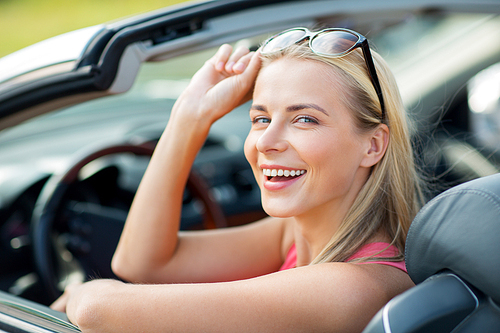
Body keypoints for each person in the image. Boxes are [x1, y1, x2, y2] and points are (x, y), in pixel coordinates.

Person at [51, 27, 423, 332]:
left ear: (373, 145)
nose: (266, 142)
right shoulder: (294, 234)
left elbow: (100, 311)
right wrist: (190, 115)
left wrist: (81, 291)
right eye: (261, 118)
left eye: (304, 119)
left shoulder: (357, 287)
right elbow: (142, 263)